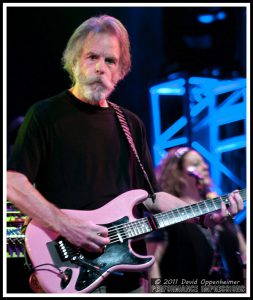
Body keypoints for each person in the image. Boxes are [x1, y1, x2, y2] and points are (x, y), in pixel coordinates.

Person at [7, 15, 244, 294]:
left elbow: (152, 197)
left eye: (111, 61)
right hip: (68, 264)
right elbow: (13, 183)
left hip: (127, 273)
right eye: (92, 57)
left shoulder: (130, 123)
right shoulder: (45, 115)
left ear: (121, 71)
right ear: (73, 61)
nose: (101, 68)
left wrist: (204, 214)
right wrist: (68, 227)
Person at [147, 147, 246, 290]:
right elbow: (153, 262)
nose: (205, 166)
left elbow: (244, 252)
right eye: (196, 163)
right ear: (178, 174)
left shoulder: (221, 208)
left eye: (204, 163)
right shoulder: (167, 213)